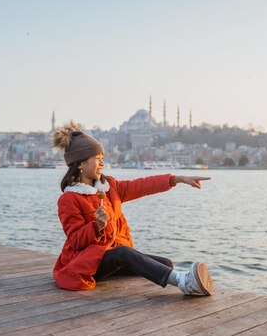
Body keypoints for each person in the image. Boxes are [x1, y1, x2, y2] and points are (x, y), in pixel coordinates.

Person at [52, 121, 214, 296]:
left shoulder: (110, 187)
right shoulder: (69, 199)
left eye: (102, 159)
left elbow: (142, 185)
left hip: (111, 256)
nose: (102, 164)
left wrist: (177, 179)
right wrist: (96, 226)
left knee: (165, 263)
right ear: (79, 164)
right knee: (124, 254)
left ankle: (175, 276)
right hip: (85, 262)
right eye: (97, 159)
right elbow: (75, 240)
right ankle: (184, 282)